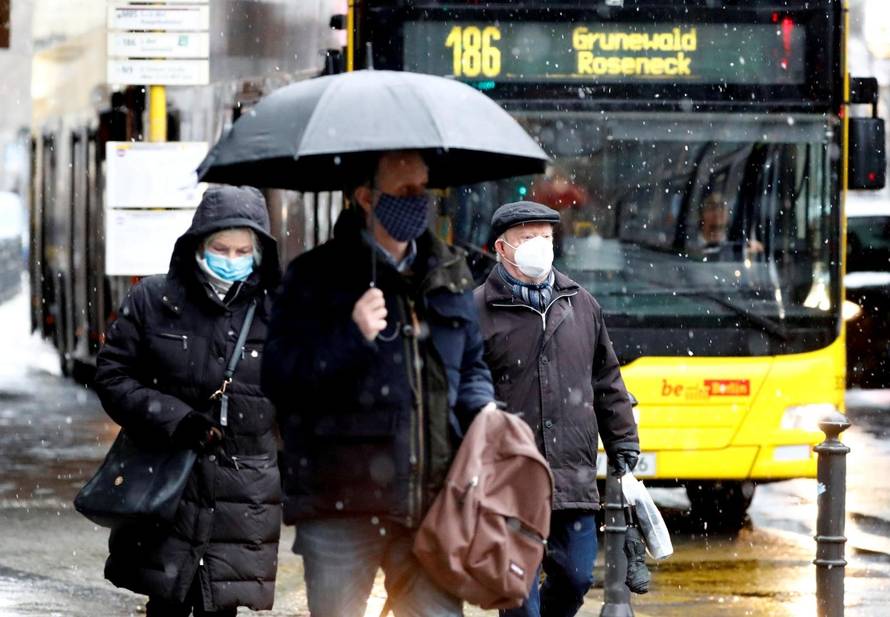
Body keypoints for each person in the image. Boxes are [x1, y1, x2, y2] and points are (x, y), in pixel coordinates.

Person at [262, 150, 497, 617]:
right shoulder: (315, 276)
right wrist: (351, 336)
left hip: (431, 503)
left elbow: (470, 365)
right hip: (339, 507)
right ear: (366, 198)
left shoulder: (448, 273)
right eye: (405, 193)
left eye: (423, 190)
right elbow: (280, 377)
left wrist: (483, 407)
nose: (419, 202)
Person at [93, 186, 282, 616]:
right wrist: (175, 420)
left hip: (241, 494)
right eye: (221, 247)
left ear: (258, 253)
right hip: (167, 485)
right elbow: (112, 375)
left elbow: (303, 392)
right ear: (199, 244)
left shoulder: (277, 313)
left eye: (242, 250)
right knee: (166, 600)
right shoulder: (153, 301)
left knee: (222, 605)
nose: (231, 258)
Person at [473, 201, 640, 617]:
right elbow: (463, 388)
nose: (539, 246)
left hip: (572, 474)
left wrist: (623, 441)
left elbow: (606, 380)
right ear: (502, 248)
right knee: (518, 594)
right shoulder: (477, 310)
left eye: (545, 237)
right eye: (527, 238)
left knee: (577, 576)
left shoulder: (580, 303)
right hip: (509, 479)